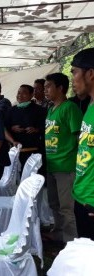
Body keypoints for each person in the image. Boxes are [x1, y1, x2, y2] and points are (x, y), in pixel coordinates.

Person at [43, 72, 82, 243]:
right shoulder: (51, 109)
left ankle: (70, 243)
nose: (45, 90)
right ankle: (58, 233)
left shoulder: (70, 108)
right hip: (52, 165)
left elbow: (79, 136)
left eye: (49, 86)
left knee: (67, 207)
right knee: (54, 204)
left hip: (66, 166)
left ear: (60, 88)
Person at [70, 48, 94, 240]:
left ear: (90, 73)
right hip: (82, 196)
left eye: (74, 72)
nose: (73, 79)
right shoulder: (90, 106)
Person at [5, 84, 46, 175]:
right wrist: (12, 128)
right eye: (18, 93)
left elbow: (46, 127)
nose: (20, 95)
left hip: (34, 152)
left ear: (31, 95)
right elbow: (5, 128)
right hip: (16, 152)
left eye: (24, 93)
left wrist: (36, 129)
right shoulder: (12, 110)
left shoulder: (40, 110)